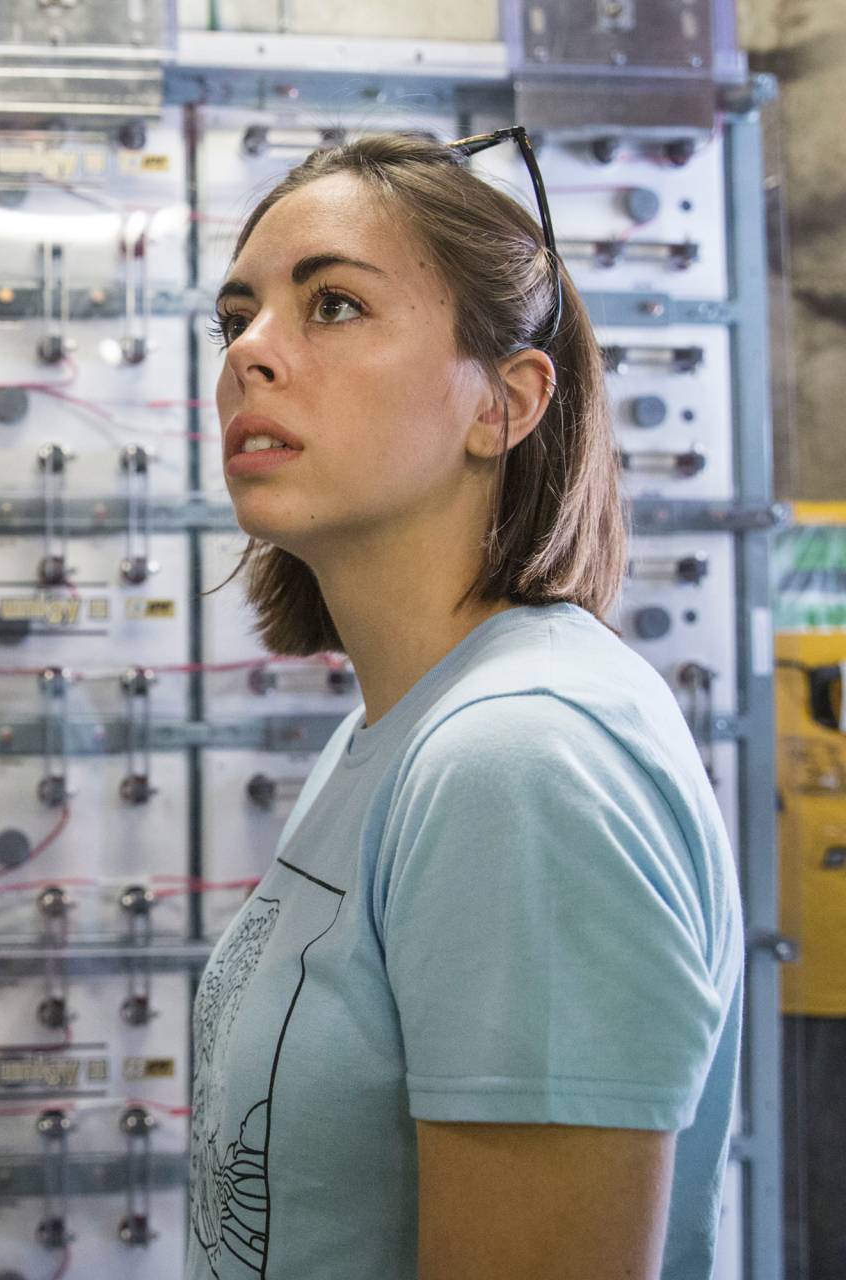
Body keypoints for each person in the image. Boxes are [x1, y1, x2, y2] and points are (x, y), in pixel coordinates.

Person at [189, 131, 743, 1280]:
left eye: (332, 304)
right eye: (233, 316)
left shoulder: (520, 758)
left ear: (505, 400)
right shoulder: (397, 731)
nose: (251, 351)